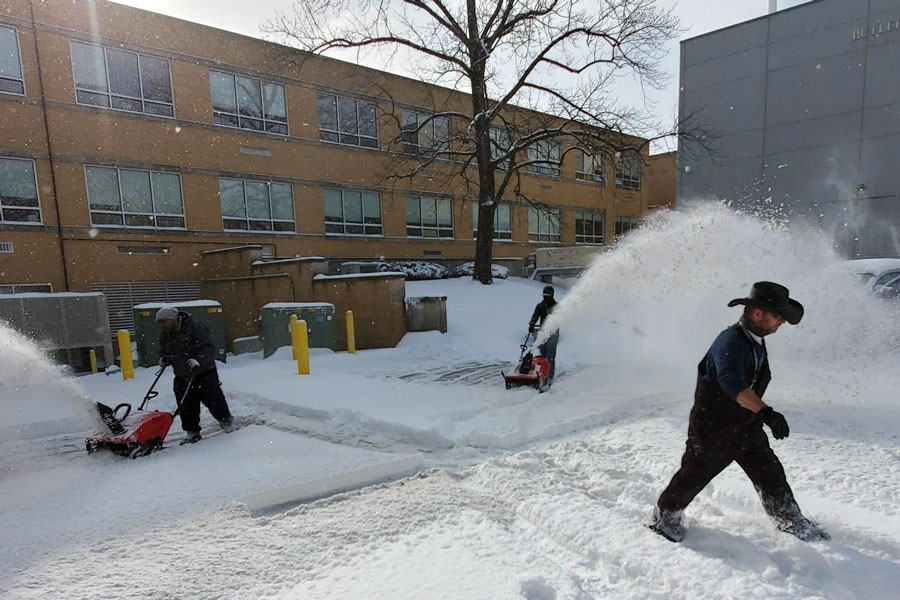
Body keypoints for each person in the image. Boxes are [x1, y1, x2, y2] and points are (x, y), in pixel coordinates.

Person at [650, 282, 829, 543]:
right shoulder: (730, 341)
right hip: (714, 428)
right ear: (758, 313)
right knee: (693, 475)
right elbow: (731, 382)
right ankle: (664, 518)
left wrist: (758, 416)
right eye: (778, 316)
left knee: (770, 473)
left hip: (745, 426)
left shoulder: (755, 339)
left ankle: (788, 518)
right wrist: (766, 412)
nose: (783, 323)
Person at [156, 306, 234, 444]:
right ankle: (192, 432)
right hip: (181, 374)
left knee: (213, 400)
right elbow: (163, 351)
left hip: (204, 372)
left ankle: (226, 422)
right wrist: (164, 358)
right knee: (186, 405)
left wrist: (199, 359)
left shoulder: (195, 328)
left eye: (164, 321)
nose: (162, 325)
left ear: (174, 319)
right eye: (160, 322)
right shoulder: (165, 334)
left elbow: (208, 347)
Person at [528, 285, 559, 381]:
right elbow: (535, 316)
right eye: (544, 295)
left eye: (547, 296)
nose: (545, 298)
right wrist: (532, 324)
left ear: (551, 295)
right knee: (542, 356)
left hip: (553, 333)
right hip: (542, 333)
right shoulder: (540, 306)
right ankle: (542, 373)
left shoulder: (557, 307)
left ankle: (550, 375)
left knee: (550, 356)